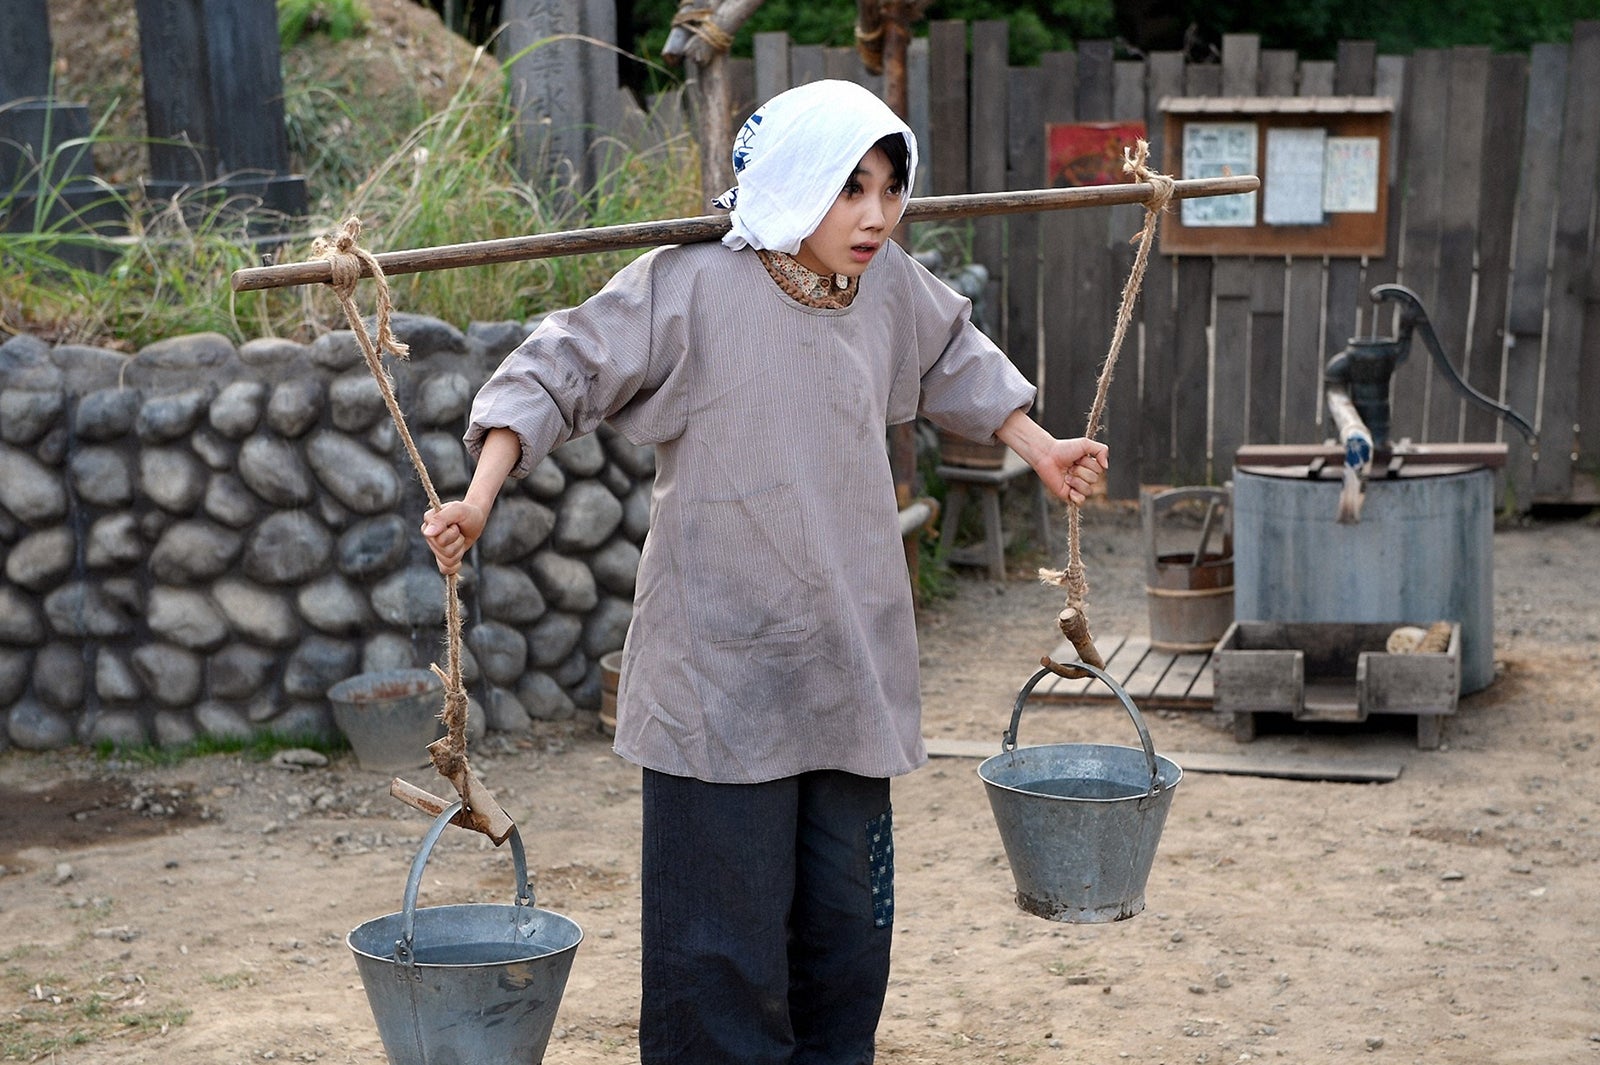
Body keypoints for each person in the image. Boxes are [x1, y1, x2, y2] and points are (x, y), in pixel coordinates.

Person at [421, 79, 1108, 1065]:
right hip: (718, 675)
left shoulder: (886, 286)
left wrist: (1040, 447)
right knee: (717, 957)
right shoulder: (688, 285)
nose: (875, 215)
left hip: (845, 666)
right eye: (848, 187)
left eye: (888, 187)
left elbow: (954, 354)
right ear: (794, 183)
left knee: (845, 942)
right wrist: (480, 498)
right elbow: (555, 369)